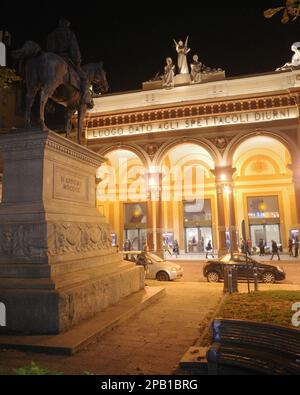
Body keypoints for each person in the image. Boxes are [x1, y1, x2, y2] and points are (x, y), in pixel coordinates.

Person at [47, 18, 88, 98]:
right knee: (84, 77)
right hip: (66, 58)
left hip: (53, 59)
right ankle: (83, 98)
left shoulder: (52, 34)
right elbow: (74, 48)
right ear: (67, 24)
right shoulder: (70, 34)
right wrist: (77, 61)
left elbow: (49, 48)